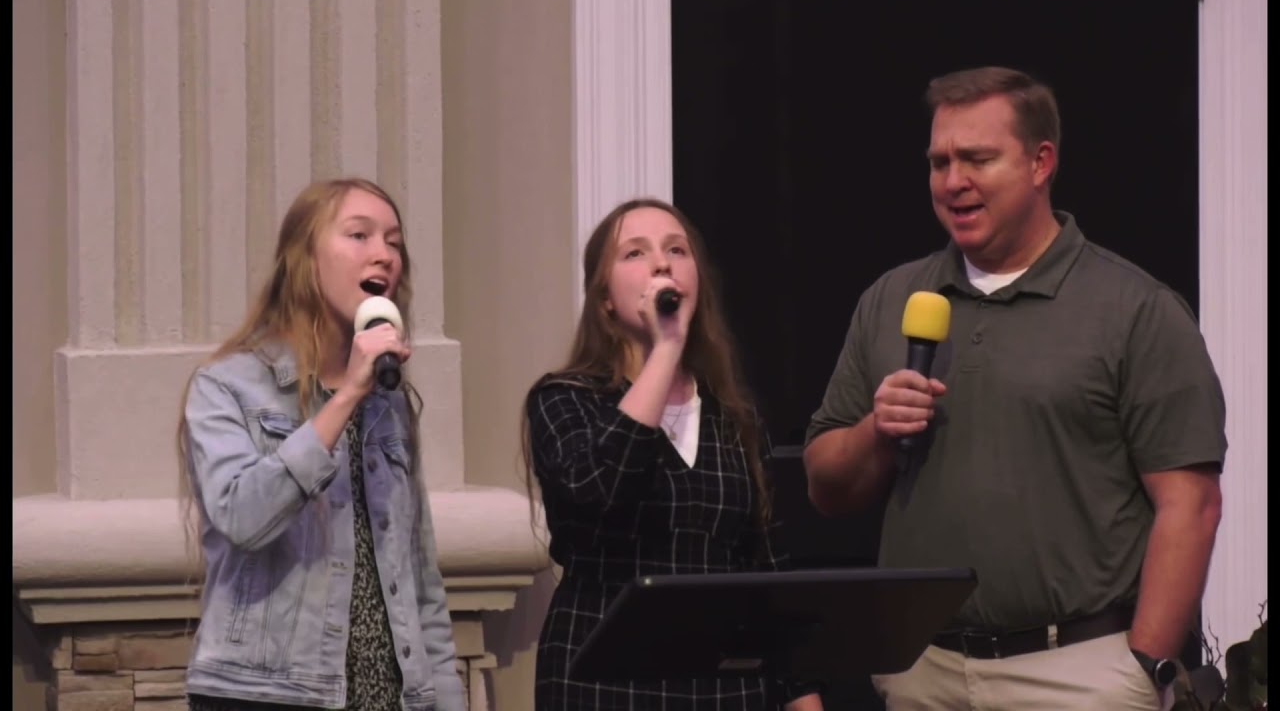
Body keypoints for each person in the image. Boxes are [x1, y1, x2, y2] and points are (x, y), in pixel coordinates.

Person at [803, 66, 1226, 710]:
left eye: (978, 158)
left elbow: (1190, 506)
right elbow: (825, 488)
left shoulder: (1134, 309)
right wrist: (875, 430)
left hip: (1078, 673)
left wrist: (1146, 667)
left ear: (1040, 163)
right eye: (939, 161)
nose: (953, 181)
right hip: (923, 672)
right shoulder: (893, 299)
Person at [521, 199, 824, 711]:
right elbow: (599, 493)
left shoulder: (736, 419)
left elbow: (769, 571)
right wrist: (665, 350)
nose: (661, 263)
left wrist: (803, 699)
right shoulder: (564, 399)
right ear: (606, 302)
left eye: (676, 250)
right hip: (603, 685)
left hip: (724, 689)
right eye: (635, 253)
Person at [176, 178, 466, 711]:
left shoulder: (390, 400)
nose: (383, 254)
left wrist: (446, 697)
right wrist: (345, 397)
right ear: (304, 260)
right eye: (359, 235)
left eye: (394, 242)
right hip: (268, 693)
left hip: (389, 696)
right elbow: (243, 517)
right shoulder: (228, 385)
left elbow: (420, 574)